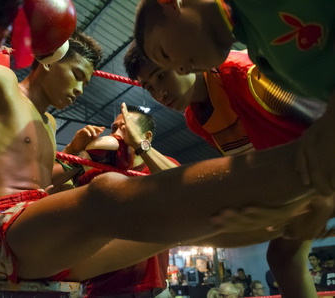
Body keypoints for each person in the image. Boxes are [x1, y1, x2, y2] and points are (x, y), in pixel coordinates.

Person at [0, 1, 331, 296]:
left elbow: (42, 189)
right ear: (49, 59)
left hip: (42, 245)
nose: (79, 89)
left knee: (177, 230)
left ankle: (287, 211)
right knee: (107, 192)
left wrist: (73, 158)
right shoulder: (0, 83)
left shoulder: (51, 124)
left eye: (88, 82)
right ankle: (305, 170)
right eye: (77, 76)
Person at [123, 41, 331, 298]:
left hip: (322, 171)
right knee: (282, 258)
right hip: (296, 181)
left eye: (162, 76)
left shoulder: (244, 74)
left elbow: (324, 119)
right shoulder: (196, 118)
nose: (160, 94)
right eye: (150, 88)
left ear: (183, 58)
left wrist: (325, 197)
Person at [134, 0, 335, 199]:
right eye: (149, 88)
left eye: (164, 55)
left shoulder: (247, 73)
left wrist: (319, 196)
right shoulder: (262, 57)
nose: (179, 68)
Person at [64, 105, 180, 297]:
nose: (117, 133)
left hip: (151, 289)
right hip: (101, 288)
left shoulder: (159, 167)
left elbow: (182, 185)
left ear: (147, 136)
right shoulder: (98, 173)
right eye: (114, 128)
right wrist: (72, 150)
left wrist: (140, 146)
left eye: (125, 128)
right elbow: (58, 195)